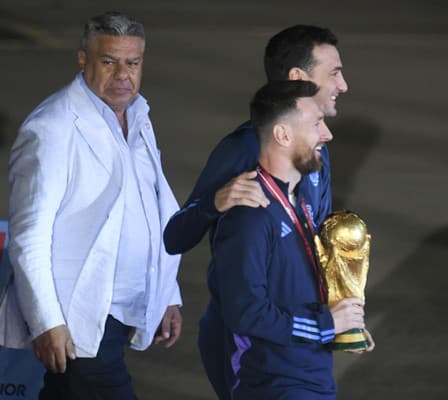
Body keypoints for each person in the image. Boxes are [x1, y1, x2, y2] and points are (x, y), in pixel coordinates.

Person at [163, 25, 374, 399]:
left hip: (301, 341)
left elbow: (311, 245)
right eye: (334, 73)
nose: (343, 85)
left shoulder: (313, 154)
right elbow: (176, 235)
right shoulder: (246, 148)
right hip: (253, 345)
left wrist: (342, 320)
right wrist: (214, 203)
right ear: (299, 79)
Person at [0, 11, 182, 399]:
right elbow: (28, 238)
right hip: (78, 316)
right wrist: (46, 322)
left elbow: (152, 207)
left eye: (132, 63)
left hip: (123, 311)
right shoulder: (51, 128)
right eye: (108, 61)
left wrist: (167, 292)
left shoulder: (139, 116)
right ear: (82, 59)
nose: (122, 74)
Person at [213, 79, 365, 400]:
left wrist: (343, 324)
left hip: (311, 373)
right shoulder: (250, 215)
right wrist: (325, 324)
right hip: (275, 384)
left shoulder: (301, 200)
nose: (327, 134)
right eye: (316, 124)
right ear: (283, 135)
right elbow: (246, 312)